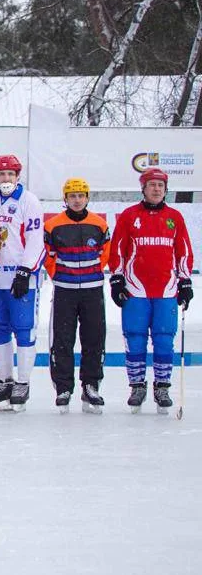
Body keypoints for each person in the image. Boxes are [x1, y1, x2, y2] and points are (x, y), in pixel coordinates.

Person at [108, 167, 194, 412]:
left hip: (166, 290)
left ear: (166, 190)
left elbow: (184, 251)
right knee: (134, 336)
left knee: (164, 338)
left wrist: (185, 280)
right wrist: (116, 279)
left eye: (161, 185)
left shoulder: (175, 217)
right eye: (152, 185)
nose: (156, 189)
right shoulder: (129, 215)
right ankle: (137, 385)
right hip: (136, 289)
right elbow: (118, 250)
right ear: (143, 188)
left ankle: (162, 386)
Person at [0, 154, 46, 411]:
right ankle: (6, 381)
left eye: (10, 174)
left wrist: (25, 270)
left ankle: (23, 381)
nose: (6, 178)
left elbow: (35, 239)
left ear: (18, 176)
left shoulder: (29, 201)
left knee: (23, 327)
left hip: (22, 278)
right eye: (1, 174)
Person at [42, 177, 110, 413]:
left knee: (93, 338)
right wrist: (59, 275)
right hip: (65, 291)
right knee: (62, 340)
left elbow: (105, 253)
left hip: (92, 291)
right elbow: (48, 255)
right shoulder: (53, 225)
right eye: (73, 196)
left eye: (81, 195)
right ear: (65, 199)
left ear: (87, 198)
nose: (77, 200)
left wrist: (91, 273)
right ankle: (64, 387)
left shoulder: (99, 224)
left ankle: (91, 385)